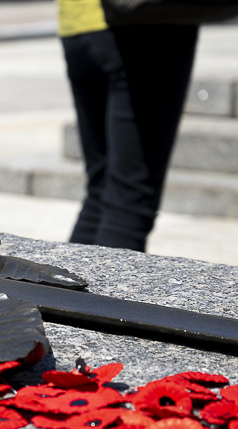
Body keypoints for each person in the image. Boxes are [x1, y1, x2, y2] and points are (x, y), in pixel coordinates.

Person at [58, 0, 200, 252]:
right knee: (129, 203)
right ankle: (105, 291)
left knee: (100, 192)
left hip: (77, 21)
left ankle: (62, 290)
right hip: (146, 22)